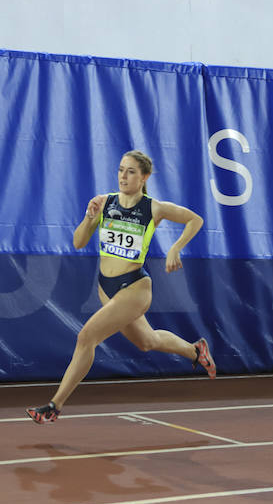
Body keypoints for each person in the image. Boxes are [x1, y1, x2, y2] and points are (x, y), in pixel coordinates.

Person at [25, 150, 216, 424]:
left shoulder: (154, 207)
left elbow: (195, 219)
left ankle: (54, 405)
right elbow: (78, 242)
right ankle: (195, 351)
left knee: (86, 337)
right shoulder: (104, 203)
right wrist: (90, 217)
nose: (123, 176)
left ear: (144, 177)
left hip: (135, 288)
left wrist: (175, 248)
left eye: (130, 171)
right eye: (121, 170)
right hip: (106, 286)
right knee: (147, 342)